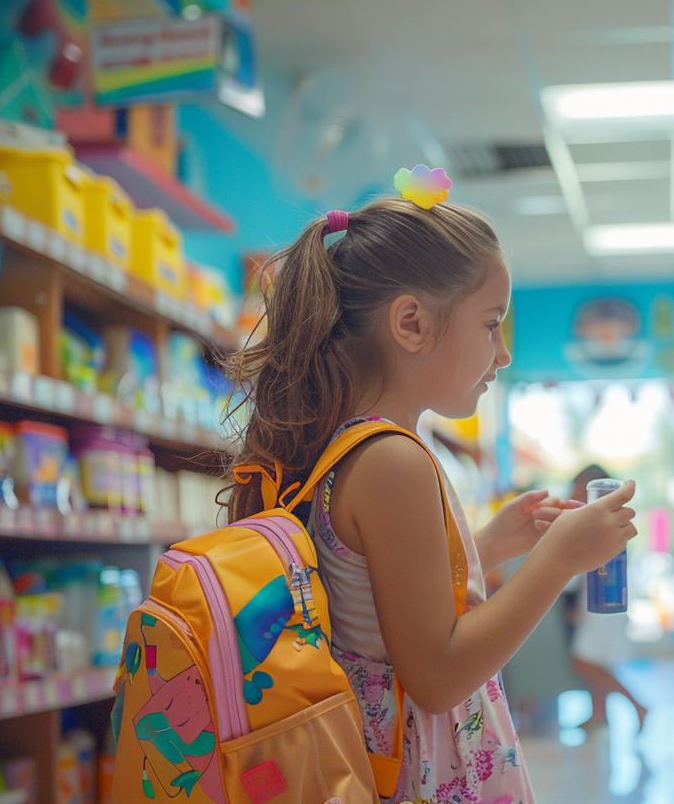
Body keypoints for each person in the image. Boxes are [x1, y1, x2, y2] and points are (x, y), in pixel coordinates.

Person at [224, 183, 638, 804]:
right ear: (412, 323)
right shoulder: (394, 461)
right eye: (491, 324)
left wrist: (487, 547)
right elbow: (438, 676)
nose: (501, 354)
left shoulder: (346, 448)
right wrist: (559, 562)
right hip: (415, 769)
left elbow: (376, 604)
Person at [565, 464, 649, 730]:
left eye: (581, 488)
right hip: (602, 603)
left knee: (584, 662)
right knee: (597, 661)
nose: (575, 493)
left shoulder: (596, 522)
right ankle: (599, 715)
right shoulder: (612, 520)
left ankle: (637, 704)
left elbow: (576, 568)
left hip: (600, 606)